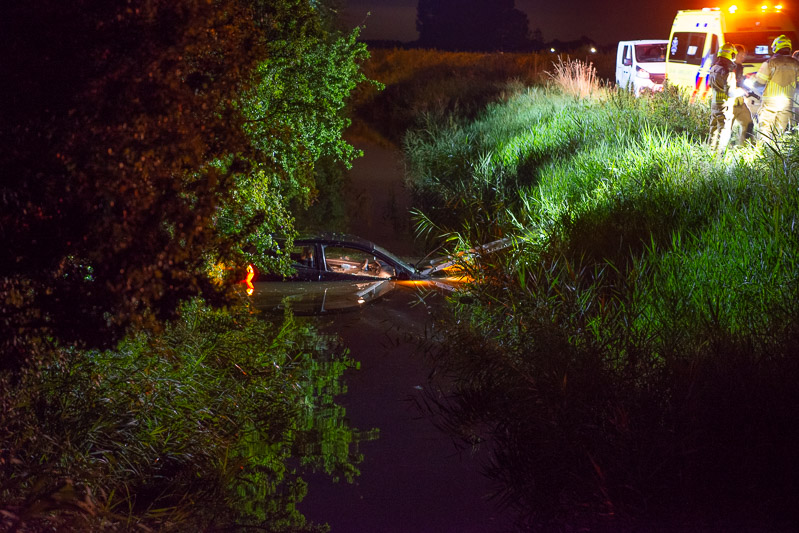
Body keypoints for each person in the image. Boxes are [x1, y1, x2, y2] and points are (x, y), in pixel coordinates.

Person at [752, 34, 799, 141]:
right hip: (787, 102)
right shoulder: (796, 64)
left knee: (765, 130)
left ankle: (764, 154)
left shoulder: (770, 63)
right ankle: (776, 155)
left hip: (770, 102)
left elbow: (760, 82)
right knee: (780, 132)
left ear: (776, 47)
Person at [707, 43, 738, 153]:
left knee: (713, 131)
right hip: (725, 106)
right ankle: (719, 158)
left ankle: (709, 155)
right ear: (731, 55)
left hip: (715, 104)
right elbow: (730, 92)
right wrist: (741, 92)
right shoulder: (728, 72)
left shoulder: (714, 68)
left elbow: (711, 85)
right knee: (723, 132)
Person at [730, 44, 754, 146]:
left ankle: (745, 148)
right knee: (726, 129)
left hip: (740, 102)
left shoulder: (739, 67)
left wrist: (746, 89)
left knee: (749, 124)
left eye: (744, 55)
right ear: (734, 55)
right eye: (741, 55)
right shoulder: (728, 68)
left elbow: (740, 82)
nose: (743, 57)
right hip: (730, 104)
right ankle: (724, 151)